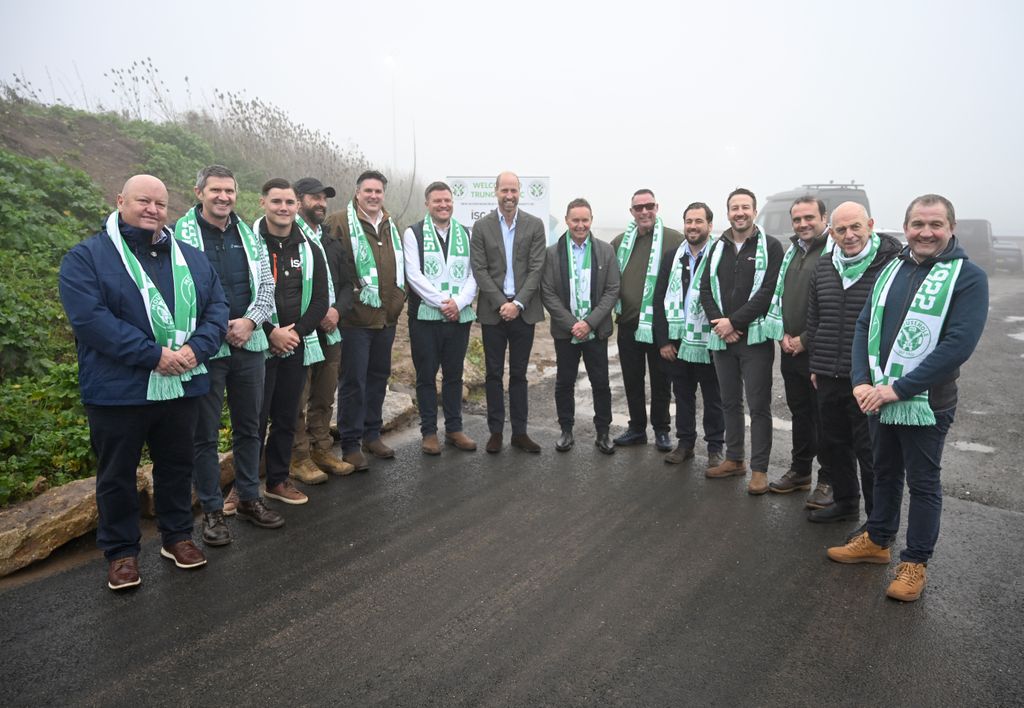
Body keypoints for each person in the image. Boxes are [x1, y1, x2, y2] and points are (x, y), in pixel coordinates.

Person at [59, 175, 228, 590]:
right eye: (143, 201)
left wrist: (195, 352)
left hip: (182, 382)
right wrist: (153, 355)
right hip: (119, 389)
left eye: (160, 203)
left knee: (176, 465)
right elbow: (91, 320)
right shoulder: (88, 257)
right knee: (117, 473)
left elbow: (217, 309)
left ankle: (176, 537)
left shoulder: (190, 258)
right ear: (120, 201)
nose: (152, 209)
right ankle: (121, 553)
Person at [827, 194, 988, 603]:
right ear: (906, 228)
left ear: (950, 227)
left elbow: (958, 345)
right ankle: (878, 540)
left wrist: (897, 389)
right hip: (877, 395)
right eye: (918, 224)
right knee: (883, 472)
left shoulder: (966, 277)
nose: (926, 232)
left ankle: (914, 562)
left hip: (925, 403)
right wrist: (861, 381)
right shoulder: (893, 268)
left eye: (935, 224)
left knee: (923, 483)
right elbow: (865, 324)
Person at [175, 165, 283, 547]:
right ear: (199, 191)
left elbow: (267, 286)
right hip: (206, 348)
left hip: (249, 345)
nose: (223, 197)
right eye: (215, 190)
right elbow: (178, 292)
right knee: (203, 434)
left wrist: (252, 322)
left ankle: (250, 498)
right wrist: (220, 327)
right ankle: (212, 511)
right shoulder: (179, 237)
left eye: (229, 191)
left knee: (250, 427)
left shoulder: (250, 236)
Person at [805, 201, 900, 527]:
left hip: (867, 378)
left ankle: (877, 524)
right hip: (829, 373)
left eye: (855, 227)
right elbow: (815, 318)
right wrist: (816, 364)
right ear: (831, 232)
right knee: (834, 445)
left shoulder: (890, 265)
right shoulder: (824, 265)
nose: (849, 235)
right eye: (841, 229)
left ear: (870, 225)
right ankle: (846, 503)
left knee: (870, 453)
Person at [699, 188, 784, 494]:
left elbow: (769, 291)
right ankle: (734, 459)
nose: (740, 212)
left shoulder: (771, 247)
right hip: (722, 338)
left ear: (754, 210)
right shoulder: (716, 247)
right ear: (728, 212)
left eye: (745, 207)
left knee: (759, 405)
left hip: (755, 340)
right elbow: (704, 288)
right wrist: (721, 324)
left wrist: (735, 322)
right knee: (729, 401)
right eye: (734, 207)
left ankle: (759, 469)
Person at [324, 170, 406, 471]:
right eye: (368, 191)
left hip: (386, 317)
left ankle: (373, 434)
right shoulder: (338, 222)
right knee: (353, 382)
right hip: (355, 319)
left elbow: (399, 268)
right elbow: (332, 270)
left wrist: (399, 300)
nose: (373, 196)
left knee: (378, 378)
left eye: (378, 191)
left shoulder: (389, 224)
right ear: (357, 193)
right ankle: (350, 443)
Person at [256, 178, 329, 505]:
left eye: (288, 203)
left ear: (296, 206)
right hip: (258, 344)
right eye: (276, 202)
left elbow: (319, 300)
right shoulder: (249, 243)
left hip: (294, 345)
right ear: (263, 204)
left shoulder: (311, 248)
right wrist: (271, 330)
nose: (283, 208)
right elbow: (241, 293)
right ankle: (241, 490)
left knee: (286, 417)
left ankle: (278, 481)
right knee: (253, 421)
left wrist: (294, 333)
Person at [470, 171, 547, 454]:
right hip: (493, 312)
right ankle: (495, 431)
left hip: (523, 312)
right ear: (496, 192)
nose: (509, 195)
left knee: (519, 375)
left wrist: (518, 304)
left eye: (513, 190)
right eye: (504, 190)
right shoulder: (482, 227)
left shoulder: (535, 225)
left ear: (520, 193)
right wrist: (502, 302)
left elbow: (537, 268)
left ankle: (520, 433)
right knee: (492, 374)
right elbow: (479, 269)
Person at [763, 197, 833, 506]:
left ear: (824, 218)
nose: (803, 224)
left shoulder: (834, 252)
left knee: (826, 418)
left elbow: (834, 305)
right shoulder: (793, 252)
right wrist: (782, 334)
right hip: (789, 348)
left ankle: (830, 480)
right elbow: (780, 298)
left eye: (809, 217)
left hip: (820, 351)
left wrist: (805, 339)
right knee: (801, 414)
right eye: (797, 219)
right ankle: (801, 471)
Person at [403, 181, 479, 455]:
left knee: (454, 375)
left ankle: (455, 429)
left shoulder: (466, 234)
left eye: (447, 200)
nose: (443, 205)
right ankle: (429, 432)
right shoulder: (413, 233)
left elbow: (474, 274)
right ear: (427, 204)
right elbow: (413, 274)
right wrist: (442, 302)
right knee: (426, 375)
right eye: (437, 201)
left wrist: (458, 302)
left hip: (458, 317)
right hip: (425, 318)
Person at [540, 198, 620, 454]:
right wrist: (573, 324)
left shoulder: (605, 250)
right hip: (566, 332)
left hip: (596, 331)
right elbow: (548, 293)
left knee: (601, 383)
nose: (580, 225)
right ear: (566, 220)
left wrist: (589, 322)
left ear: (591, 220)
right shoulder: (552, 253)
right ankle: (566, 430)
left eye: (585, 220)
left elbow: (612, 290)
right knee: (564, 382)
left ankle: (603, 432)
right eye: (575, 220)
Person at [289, 177, 355, 480]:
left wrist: (337, 311)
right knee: (296, 398)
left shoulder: (330, 240)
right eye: (314, 198)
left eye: (324, 198)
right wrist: (313, 317)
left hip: (331, 329)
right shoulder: (289, 236)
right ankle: (299, 458)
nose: (321, 203)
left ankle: (321, 450)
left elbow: (345, 284)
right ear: (298, 200)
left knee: (324, 395)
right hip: (301, 330)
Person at [652, 202, 725, 466]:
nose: (692, 226)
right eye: (689, 221)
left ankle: (716, 448)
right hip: (678, 341)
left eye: (698, 221)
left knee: (714, 398)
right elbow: (658, 297)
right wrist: (663, 341)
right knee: (682, 396)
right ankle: (685, 444)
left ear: (709, 225)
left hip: (709, 340)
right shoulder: (673, 256)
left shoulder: (720, 253)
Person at [610, 189, 683, 451]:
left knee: (662, 381)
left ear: (657, 207)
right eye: (638, 208)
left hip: (659, 327)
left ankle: (662, 430)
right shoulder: (620, 242)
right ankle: (637, 428)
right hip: (628, 324)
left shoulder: (674, 239)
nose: (644, 212)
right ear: (631, 212)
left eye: (648, 206)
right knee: (632, 379)